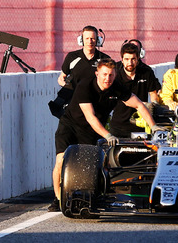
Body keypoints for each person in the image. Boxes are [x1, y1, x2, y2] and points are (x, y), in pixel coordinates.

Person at [50, 58, 157, 211]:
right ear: (97, 74)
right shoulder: (85, 86)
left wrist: (154, 126)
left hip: (91, 132)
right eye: (104, 74)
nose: (108, 78)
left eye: (111, 75)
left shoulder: (116, 87)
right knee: (61, 160)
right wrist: (108, 136)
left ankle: (89, 196)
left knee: (92, 166)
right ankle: (58, 199)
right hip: (71, 126)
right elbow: (90, 117)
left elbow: (139, 104)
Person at [109, 41, 161, 138]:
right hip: (118, 127)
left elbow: (153, 93)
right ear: (122, 60)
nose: (130, 63)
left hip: (141, 127)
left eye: (133, 59)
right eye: (127, 59)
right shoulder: (115, 74)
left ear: (138, 59)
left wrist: (154, 106)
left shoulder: (146, 72)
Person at [57, 26, 110, 90]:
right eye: (87, 38)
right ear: (81, 40)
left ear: (98, 40)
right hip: (74, 96)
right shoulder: (72, 56)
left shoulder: (105, 59)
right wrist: (68, 87)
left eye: (92, 38)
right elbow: (61, 78)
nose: (90, 41)